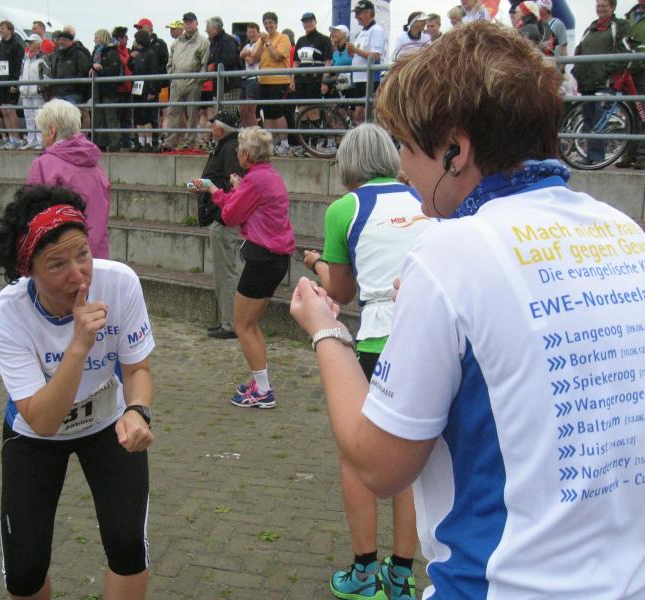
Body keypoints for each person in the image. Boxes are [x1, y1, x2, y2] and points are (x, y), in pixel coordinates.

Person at [291, 21, 645, 598]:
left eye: (408, 147)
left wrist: (325, 330)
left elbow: (379, 465)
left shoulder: (450, 251)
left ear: (455, 150)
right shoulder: (622, 231)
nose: (403, 170)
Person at [0, 185, 154, 600]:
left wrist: (137, 410)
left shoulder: (120, 282)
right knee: (24, 571)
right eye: (57, 264)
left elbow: (137, 369)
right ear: (28, 269)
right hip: (34, 435)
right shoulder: (5, 314)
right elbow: (43, 421)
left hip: (108, 424)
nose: (78, 275)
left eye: (83, 254)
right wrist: (78, 345)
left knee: (128, 545)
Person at [302, 123, 431, 600]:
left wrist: (316, 263)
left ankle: (363, 571)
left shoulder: (345, 208)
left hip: (379, 339)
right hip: (427, 334)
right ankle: (402, 573)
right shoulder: (423, 197)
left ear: (348, 164)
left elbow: (340, 291)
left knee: (356, 454)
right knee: (411, 460)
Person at [191, 127, 295, 408]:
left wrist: (220, 190)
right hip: (275, 258)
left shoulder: (255, 181)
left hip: (262, 258)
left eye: (240, 150)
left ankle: (263, 391)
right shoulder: (268, 176)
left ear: (247, 155)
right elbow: (240, 205)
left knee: (242, 325)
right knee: (250, 324)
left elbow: (230, 215)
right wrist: (222, 190)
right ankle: (260, 382)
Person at [26, 99, 110, 260]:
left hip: (61, 257)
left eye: (42, 131)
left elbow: (32, 216)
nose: (42, 137)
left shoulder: (44, 165)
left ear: (52, 130)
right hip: (96, 254)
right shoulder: (95, 166)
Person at [195, 111, 247, 340]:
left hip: (226, 218)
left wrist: (209, 187)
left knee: (226, 272)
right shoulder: (228, 146)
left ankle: (232, 323)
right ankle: (229, 319)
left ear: (221, 129)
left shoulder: (231, 147)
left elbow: (235, 184)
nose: (210, 129)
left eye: (213, 125)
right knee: (223, 272)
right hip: (223, 216)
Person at [572, 0, 630, 167]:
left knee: (599, 121)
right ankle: (589, 156)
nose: (600, 9)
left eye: (604, 5)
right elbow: (579, 50)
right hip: (587, 82)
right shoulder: (590, 28)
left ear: (612, 7)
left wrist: (608, 70)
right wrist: (577, 71)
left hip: (604, 81)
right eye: (598, 5)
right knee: (588, 121)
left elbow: (625, 50)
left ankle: (596, 157)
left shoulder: (619, 26)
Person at [162, 12, 210, 151]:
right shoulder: (176, 43)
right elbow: (170, 63)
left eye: (190, 21)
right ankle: (169, 142)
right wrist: (172, 76)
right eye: (186, 22)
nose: (188, 24)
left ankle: (189, 141)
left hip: (193, 82)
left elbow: (205, 64)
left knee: (192, 114)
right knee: (173, 112)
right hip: (176, 82)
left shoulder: (204, 42)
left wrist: (198, 80)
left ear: (196, 23)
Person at [292, 12, 334, 157]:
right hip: (301, 80)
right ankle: (305, 145)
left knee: (313, 112)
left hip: (315, 79)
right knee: (302, 112)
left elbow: (328, 61)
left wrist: (324, 81)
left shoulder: (324, 39)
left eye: (310, 21)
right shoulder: (301, 40)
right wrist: (292, 79)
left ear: (315, 22)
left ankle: (314, 145)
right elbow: (296, 62)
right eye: (305, 22)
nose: (307, 24)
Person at [252, 12, 292, 155]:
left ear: (276, 23)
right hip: (264, 80)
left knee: (277, 112)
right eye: (265, 23)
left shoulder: (283, 38)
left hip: (279, 80)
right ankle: (270, 143)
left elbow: (277, 56)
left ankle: (285, 143)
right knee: (268, 114)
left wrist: (268, 42)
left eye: (270, 22)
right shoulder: (261, 40)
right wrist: (262, 42)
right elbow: (254, 58)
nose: (268, 25)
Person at [348, 0, 386, 124]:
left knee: (370, 113)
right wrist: (352, 52)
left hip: (369, 79)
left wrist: (356, 50)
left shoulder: (376, 30)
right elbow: (358, 54)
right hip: (358, 78)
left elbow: (375, 56)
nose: (356, 17)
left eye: (358, 13)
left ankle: (374, 135)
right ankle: (362, 136)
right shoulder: (361, 32)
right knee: (358, 113)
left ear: (369, 13)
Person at [619, 0, 645, 169]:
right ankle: (629, 154)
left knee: (643, 113)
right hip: (629, 70)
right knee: (630, 113)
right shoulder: (629, 17)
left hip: (642, 70)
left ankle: (642, 156)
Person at [0, 20, 25, 149]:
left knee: (11, 110)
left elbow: (18, 65)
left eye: (3, 28)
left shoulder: (17, 45)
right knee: (4, 111)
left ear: (10, 30)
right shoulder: (0, 46)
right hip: (1, 81)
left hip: (11, 81)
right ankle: (10, 138)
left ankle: (17, 138)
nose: (1, 31)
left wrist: (15, 83)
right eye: (0, 28)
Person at [128, 29, 160, 151]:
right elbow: (131, 67)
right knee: (138, 117)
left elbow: (154, 73)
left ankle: (149, 143)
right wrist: (131, 58)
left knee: (147, 117)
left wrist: (152, 90)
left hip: (146, 89)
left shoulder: (150, 54)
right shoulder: (137, 54)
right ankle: (140, 143)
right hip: (137, 88)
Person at [91, 29, 122, 152]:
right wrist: (92, 66)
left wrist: (99, 69)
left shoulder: (112, 52)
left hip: (109, 89)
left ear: (102, 37)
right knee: (99, 117)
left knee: (110, 117)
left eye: (96, 37)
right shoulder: (96, 51)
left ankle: (114, 142)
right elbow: (89, 63)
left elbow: (113, 71)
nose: (94, 39)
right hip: (98, 89)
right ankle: (101, 142)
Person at [205, 17, 242, 116]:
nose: (206, 30)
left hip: (229, 85)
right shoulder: (214, 42)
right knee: (219, 115)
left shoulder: (227, 40)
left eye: (208, 28)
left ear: (215, 28)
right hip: (218, 84)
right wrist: (209, 65)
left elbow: (229, 59)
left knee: (228, 115)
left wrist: (214, 65)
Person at [19, 34, 48, 150]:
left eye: (31, 43)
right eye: (28, 43)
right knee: (28, 117)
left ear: (38, 44)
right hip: (25, 92)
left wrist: (41, 87)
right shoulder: (25, 58)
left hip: (37, 93)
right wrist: (20, 85)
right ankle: (31, 141)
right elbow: (21, 73)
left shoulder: (43, 58)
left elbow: (46, 74)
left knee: (39, 117)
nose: (29, 45)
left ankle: (41, 141)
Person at [50, 31, 92, 106]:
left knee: (71, 113)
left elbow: (84, 72)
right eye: (59, 40)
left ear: (71, 42)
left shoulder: (79, 54)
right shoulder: (57, 55)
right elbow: (53, 72)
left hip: (73, 94)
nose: (61, 42)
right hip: (58, 93)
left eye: (64, 40)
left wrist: (73, 84)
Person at [113, 27, 135, 151]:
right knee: (118, 116)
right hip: (119, 89)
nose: (127, 39)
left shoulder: (128, 52)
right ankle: (119, 141)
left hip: (128, 89)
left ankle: (126, 141)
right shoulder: (114, 52)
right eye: (125, 37)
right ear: (119, 38)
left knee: (127, 117)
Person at [239, 23, 262, 128]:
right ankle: (246, 133)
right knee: (242, 111)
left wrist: (246, 54)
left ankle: (255, 134)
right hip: (245, 79)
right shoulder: (247, 46)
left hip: (254, 79)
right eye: (249, 32)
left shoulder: (260, 44)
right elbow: (241, 55)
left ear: (258, 33)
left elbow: (252, 60)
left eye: (253, 32)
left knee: (251, 111)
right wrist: (248, 54)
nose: (251, 34)